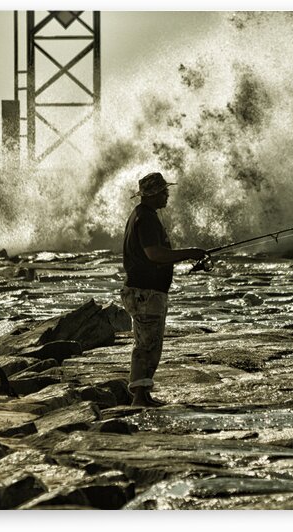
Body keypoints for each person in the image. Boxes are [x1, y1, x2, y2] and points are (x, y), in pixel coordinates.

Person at [120, 171, 207, 407]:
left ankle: (143, 392)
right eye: (164, 191)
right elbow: (154, 254)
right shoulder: (146, 218)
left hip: (143, 291)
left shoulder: (140, 214)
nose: (167, 195)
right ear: (153, 195)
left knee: (149, 343)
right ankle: (139, 397)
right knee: (147, 345)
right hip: (145, 292)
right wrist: (190, 252)